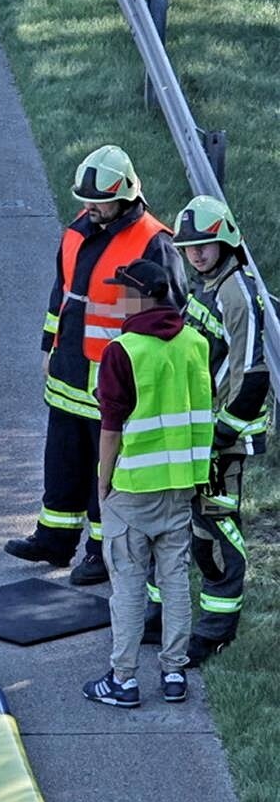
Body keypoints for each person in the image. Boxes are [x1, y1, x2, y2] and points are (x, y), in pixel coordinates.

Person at [8, 146, 179, 586]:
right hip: (69, 372)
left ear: (124, 195)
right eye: (85, 200)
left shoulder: (152, 240)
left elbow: (169, 314)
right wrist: (49, 345)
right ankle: (54, 539)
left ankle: (101, 554)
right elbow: (61, 295)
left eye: (98, 201)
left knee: (109, 471)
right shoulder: (78, 231)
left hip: (115, 380)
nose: (89, 208)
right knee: (63, 461)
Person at [83, 259, 211, 709]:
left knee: (129, 584)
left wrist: (102, 483)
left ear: (141, 296)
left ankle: (124, 678)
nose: (118, 298)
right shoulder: (195, 343)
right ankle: (174, 673)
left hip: (133, 488)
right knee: (175, 579)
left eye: (124, 291)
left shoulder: (124, 351)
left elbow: (112, 427)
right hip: (180, 485)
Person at [171, 194, 273, 663]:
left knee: (215, 525)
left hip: (224, 439)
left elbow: (252, 376)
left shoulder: (237, 293)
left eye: (204, 246)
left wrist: (222, 435)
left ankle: (215, 632)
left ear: (227, 240)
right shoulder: (209, 284)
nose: (196, 254)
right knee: (199, 525)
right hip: (204, 432)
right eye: (189, 247)